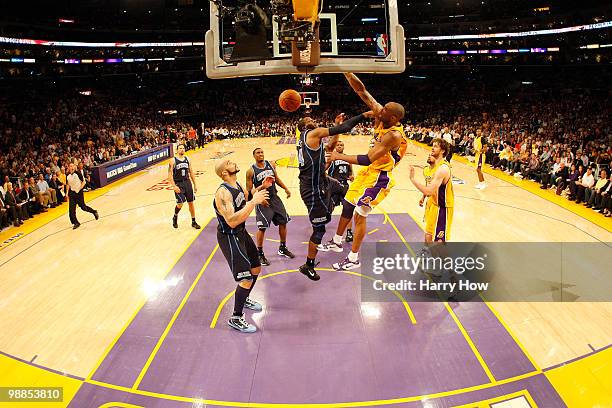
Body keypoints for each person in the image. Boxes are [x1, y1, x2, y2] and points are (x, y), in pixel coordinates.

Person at [320, 73, 407, 271]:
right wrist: (346, 71)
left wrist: (338, 156)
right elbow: (362, 91)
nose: (379, 109)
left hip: (379, 178)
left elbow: (367, 158)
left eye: (384, 109)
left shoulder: (393, 135)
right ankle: (337, 240)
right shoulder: (381, 115)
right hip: (368, 173)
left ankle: (353, 258)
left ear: (393, 117)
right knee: (347, 204)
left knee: (360, 214)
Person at [296, 108, 370, 280]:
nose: (313, 120)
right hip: (312, 189)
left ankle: (340, 235)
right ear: (305, 126)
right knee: (319, 229)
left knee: (349, 195)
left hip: (324, 181)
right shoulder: (312, 133)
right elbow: (344, 129)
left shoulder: (309, 140)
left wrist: (336, 125)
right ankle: (308, 264)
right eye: (309, 120)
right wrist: (363, 116)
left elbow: (330, 147)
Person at [213, 158, 271, 333]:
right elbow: (231, 221)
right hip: (229, 236)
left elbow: (246, 198)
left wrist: (261, 188)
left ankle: (244, 298)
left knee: (255, 269)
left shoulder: (236, 185)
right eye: (229, 162)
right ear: (224, 172)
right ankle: (236, 317)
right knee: (245, 278)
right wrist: (254, 202)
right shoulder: (222, 193)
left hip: (241, 233)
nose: (233, 162)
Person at [245, 148, 294, 266]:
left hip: (275, 198)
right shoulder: (251, 171)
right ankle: (260, 253)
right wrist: (261, 190)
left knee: (283, 222)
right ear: (254, 156)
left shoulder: (270, 165)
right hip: (262, 199)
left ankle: (282, 247)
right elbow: (249, 192)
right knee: (262, 228)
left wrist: (286, 188)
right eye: (258, 153)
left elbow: (276, 179)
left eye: (262, 152)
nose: (260, 154)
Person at [410, 139, 454, 242]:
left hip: (443, 207)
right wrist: (423, 197)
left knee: (439, 241)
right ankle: (427, 254)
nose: (432, 148)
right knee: (428, 233)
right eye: (432, 146)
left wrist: (412, 179)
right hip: (433, 203)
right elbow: (430, 186)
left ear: (442, 151)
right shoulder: (433, 167)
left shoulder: (443, 168)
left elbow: (429, 191)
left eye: (436, 146)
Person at [326, 140, 354, 242]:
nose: (339, 146)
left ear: (344, 147)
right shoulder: (332, 158)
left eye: (341, 145)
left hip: (345, 186)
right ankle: (321, 224)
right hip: (334, 185)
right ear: (335, 147)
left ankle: (349, 232)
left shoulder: (347, 158)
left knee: (348, 209)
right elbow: (324, 169)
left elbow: (350, 171)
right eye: (338, 145)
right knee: (329, 207)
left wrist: (351, 176)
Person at [168, 144, 200, 229]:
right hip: (178, 184)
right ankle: (175, 216)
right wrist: (174, 186)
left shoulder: (188, 159)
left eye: (183, 148)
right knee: (180, 203)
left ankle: (193, 221)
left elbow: (191, 172)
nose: (182, 150)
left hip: (187, 182)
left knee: (191, 203)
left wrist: (195, 184)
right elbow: (170, 175)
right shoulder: (173, 161)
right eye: (180, 148)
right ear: (177, 150)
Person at [67, 163, 99, 229]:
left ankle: (94, 211)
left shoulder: (78, 173)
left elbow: (84, 182)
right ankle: (76, 223)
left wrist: (79, 189)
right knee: (71, 210)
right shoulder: (67, 175)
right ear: (68, 168)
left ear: (75, 167)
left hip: (79, 193)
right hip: (72, 194)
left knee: (83, 207)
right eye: (70, 166)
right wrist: (67, 193)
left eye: (73, 166)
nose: (71, 167)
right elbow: (68, 184)